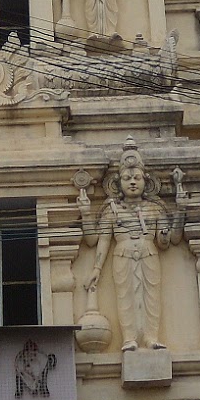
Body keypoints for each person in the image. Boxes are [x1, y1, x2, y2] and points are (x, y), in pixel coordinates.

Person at [79, 139, 178, 351]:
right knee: (126, 299)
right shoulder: (111, 209)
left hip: (148, 254)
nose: (132, 182)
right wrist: (86, 214)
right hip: (122, 256)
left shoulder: (154, 208)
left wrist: (178, 214)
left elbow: (168, 241)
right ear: (118, 183)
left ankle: (151, 337)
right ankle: (129, 338)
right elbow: (96, 240)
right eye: (126, 178)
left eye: (137, 178)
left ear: (146, 181)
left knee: (151, 298)